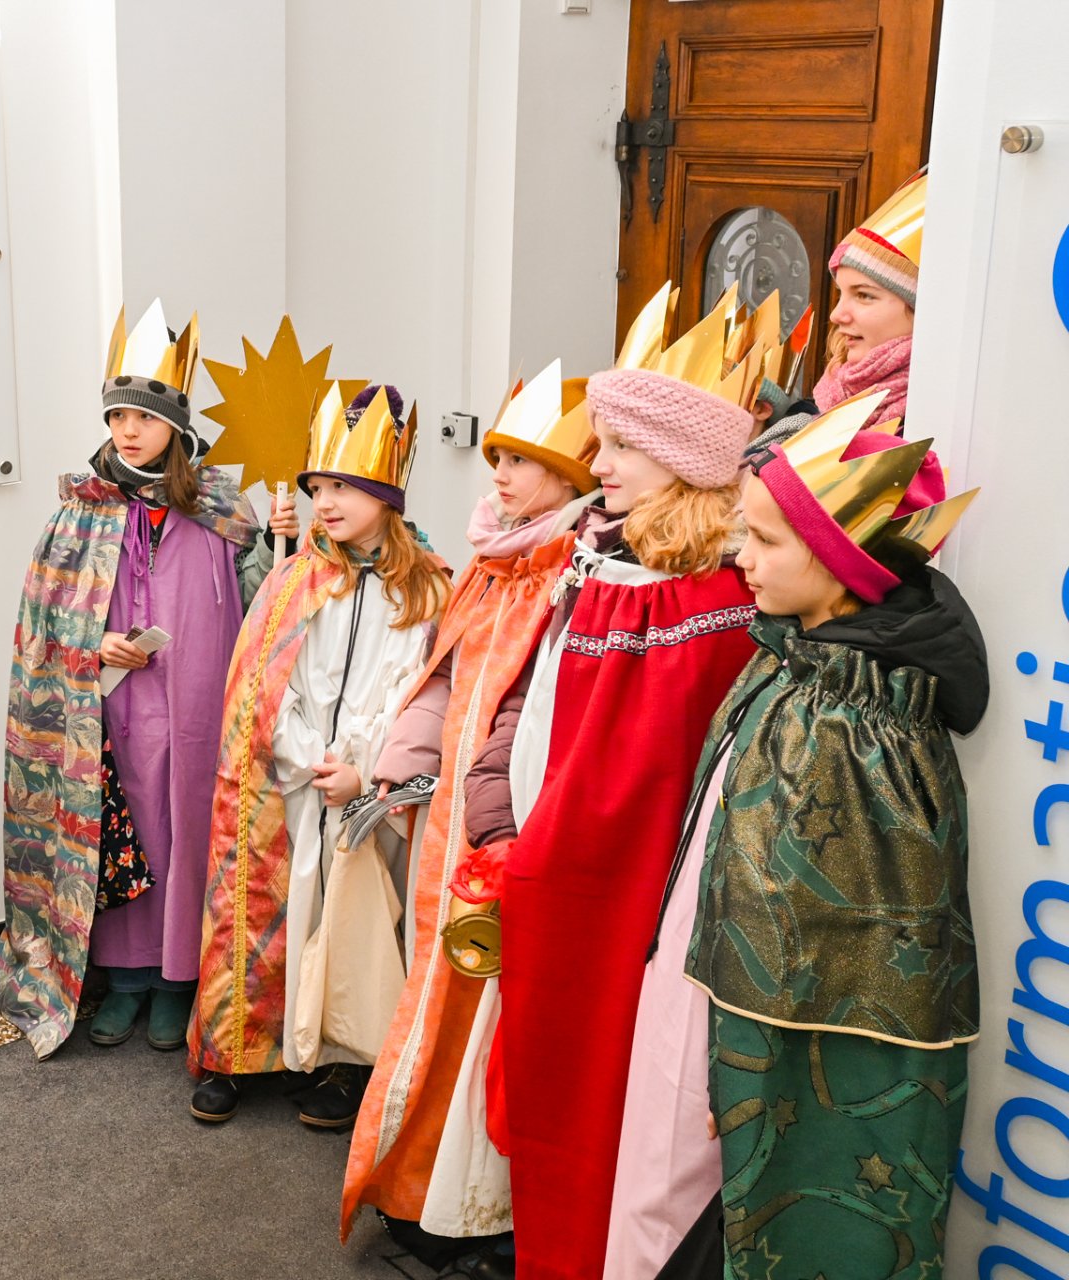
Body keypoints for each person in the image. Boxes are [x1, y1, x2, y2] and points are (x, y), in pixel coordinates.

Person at [680, 402, 981, 1278]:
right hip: (748, 1023)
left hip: (824, 1060)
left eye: (765, 540)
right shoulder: (789, 658)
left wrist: (752, 1065)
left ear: (842, 565)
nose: (739, 557)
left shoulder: (865, 720)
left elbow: (856, 930)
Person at [494, 300, 762, 1280]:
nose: (595, 464)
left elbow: (639, 775)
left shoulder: (703, 597)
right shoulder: (616, 562)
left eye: (619, 446)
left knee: (619, 1094)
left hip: (634, 895)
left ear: (682, 459)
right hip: (576, 865)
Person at [340, 361, 599, 1273]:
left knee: (487, 1017)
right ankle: (425, 1190)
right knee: (440, 1004)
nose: (498, 475)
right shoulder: (494, 563)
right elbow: (448, 677)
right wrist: (399, 759)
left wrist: (493, 819)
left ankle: (475, 1211)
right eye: (495, 456)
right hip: (450, 820)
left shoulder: (569, 570)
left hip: (505, 831)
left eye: (519, 461)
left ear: (572, 478)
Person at [0, 300, 264, 1059]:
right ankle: (127, 980)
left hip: (203, 706)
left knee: (191, 826)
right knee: (118, 828)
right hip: (111, 710)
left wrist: (286, 544)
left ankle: (178, 985)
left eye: (142, 417)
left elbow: (269, 606)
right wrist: (92, 642)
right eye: (116, 416)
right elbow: (41, 627)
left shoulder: (223, 510)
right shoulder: (79, 511)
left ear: (175, 424)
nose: (127, 431)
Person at [190, 382, 450, 1128]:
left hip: (370, 788)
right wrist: (311, 761)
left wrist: (363, 768)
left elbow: (418, 691)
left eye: (343, 486)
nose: (325, 501)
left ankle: (342, 1060)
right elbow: (271, 684)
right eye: (318, 487)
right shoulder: (297, 577)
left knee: (351, 923)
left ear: (386, 493)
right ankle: (240, 1050)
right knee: (269, 912)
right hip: (293, 780)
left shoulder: (428, 589)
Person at [753, 171, 924, 448]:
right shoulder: (828, 399)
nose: (836, 315)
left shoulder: (938, 419)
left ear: (922, 311)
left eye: (864, 295)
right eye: (841, 294)